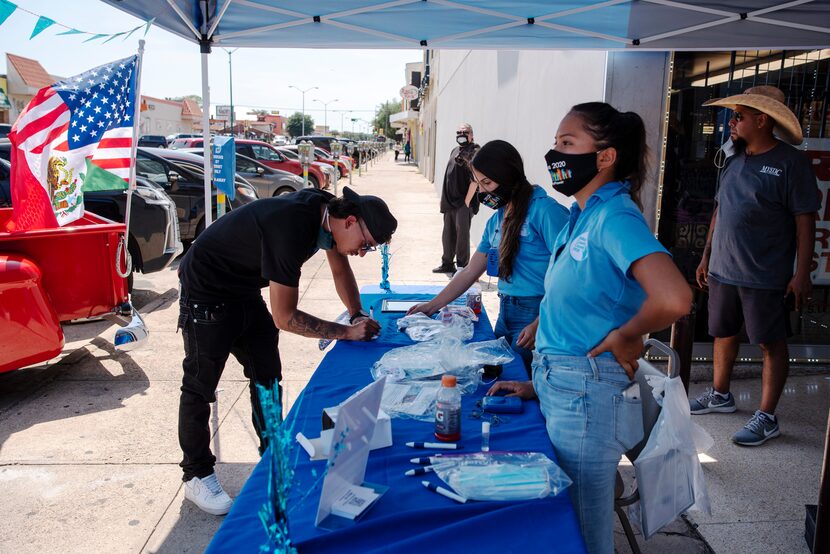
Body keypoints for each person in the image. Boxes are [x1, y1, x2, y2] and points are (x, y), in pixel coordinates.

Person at [488, 103, 691, 554]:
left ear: (605, 156)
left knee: (582, 531)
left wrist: (628, 333)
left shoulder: (614, 216)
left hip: (586, 396)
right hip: (564, 386)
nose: (554, 153)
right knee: (566, 520)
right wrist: (539, 384)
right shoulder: (581, 216)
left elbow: (674, 298)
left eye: (567, 143)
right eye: (555, 142)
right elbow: (577, 305)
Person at [177, 186, 397, 515]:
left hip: (243, 288)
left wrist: (357, 313)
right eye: (365, 245)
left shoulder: (329, 214)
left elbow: (339, 269)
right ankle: (196, 473)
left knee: (267, 375)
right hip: (206, 290)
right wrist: (346, 333)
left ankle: (271, 455)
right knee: (200, 384)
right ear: (350, 221)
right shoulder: (291, 229)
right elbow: (286, 317)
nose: (363, 252)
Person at [691, 86, 819, 446]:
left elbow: (805, 219)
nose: (732, 123)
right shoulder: (734, 158)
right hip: (722, 269)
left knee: (769, 342)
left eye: (739, 117)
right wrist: (706, 254)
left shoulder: (791, 163)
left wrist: (801, 272)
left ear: (762, 120)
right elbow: (720, 209)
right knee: (722, 332)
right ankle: (720, 394)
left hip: (763, 273)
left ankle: (766, 415)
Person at [408, 140, 568, 374]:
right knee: (499, 376)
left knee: (523, 380)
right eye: (478, 183)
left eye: (487, 183)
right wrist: (433, 306)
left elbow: (570, 275)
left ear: (508, 176)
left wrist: (541, 322)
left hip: (538, 311)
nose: (482, 191)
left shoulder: (545, 212)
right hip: (506, 311)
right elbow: (472, 270)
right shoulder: (497, 221)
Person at [433, 123, 480, 274]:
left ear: (471, 135)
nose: (461, 134)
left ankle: (462, 266)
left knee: (462, 236)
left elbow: (475, 179)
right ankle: (447, 263)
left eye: (465, 132)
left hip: (463, 203)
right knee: (448, 235)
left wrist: (467, 201)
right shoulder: (455, 150)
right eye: (458, 131)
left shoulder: (474, 151)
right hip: (449, 202)